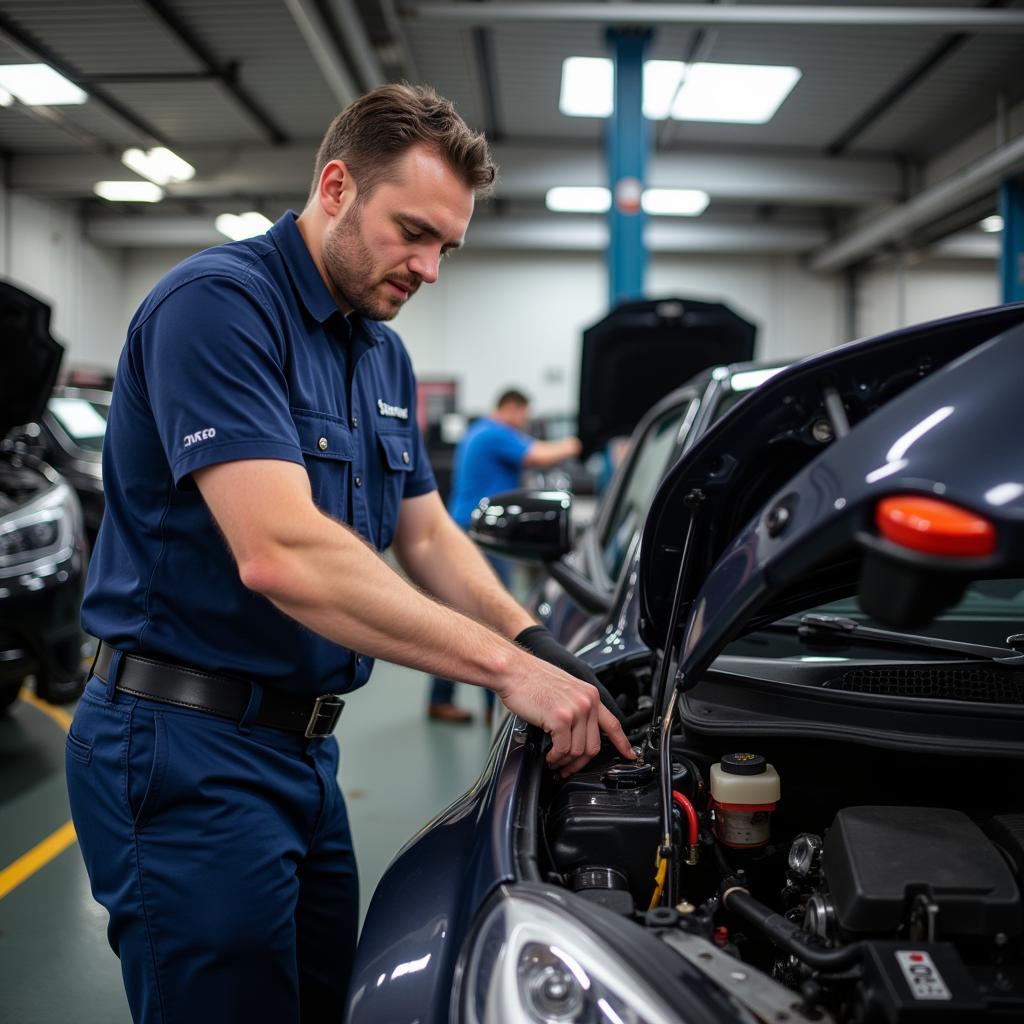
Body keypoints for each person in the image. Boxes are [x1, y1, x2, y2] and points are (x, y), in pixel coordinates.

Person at [64, 83, 632, 1024]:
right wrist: (501, 672)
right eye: (413, 231)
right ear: (336, 186)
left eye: (446, 245)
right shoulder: (219, 309)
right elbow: (281, 551)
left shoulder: (381, 353)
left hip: (302, 749)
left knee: (333, 1000)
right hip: (182, 745)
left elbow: (426, 534)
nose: (430, 268)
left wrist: (538, 644)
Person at [428, 388, 583, 721]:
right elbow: (540, 455)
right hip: (483, 534)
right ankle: (485, 699)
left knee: (467, 614)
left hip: (469, 528)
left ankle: (461, 700)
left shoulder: (478, 432)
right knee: (491, 615)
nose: (523, 423)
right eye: (523, 415)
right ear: (511, 408)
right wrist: (579, 442)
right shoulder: (495, 433)